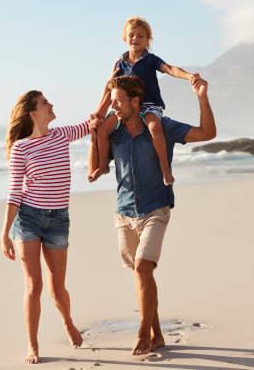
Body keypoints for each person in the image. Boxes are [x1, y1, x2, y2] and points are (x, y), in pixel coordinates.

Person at [87, 75, 216, 355]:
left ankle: (143, 333)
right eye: (111, 102)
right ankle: (157, 333)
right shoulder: (115, 133)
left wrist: (202, 97)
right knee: (141, 274)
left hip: (156, 207)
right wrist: (94, 133)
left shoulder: (162, 127)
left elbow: (207, 134)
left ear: (136, 101)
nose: (114, 107)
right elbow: (98, 167)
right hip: (123, 213)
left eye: (118, 102)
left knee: (144, 268)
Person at [0, 90, 98, 364]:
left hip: (58, 220)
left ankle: (67, 321)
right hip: (28, 219)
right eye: (45, 103)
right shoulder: (21, 149)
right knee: (34, 285)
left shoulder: (61, 135)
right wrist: (4, 233)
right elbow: (14, 194)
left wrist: (110, 87)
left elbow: (95, 122)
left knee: (57, 287)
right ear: (33, 113)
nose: (51, 105)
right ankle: (33, 346)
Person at [89, 16, 199, 186]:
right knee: (103, 129)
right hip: (125, 107)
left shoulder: (151, 59)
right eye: (131, 35)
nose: (135, 39)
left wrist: (188, 76)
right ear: (124, 38)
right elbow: (110, 89)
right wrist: (99, 112)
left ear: (148, 40)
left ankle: (165, 170)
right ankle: (103, 166)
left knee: (155, 127)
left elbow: (169, 69)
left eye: (141, 36)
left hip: (149, 105)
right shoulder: (120, 63)